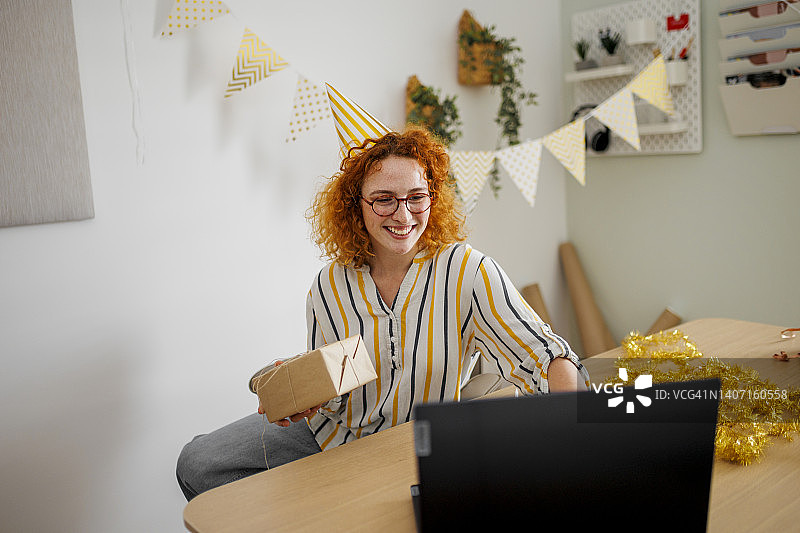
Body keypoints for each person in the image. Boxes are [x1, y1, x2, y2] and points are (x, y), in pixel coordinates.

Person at [176, 127, 589, 501]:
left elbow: (544, 354)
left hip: (416, 447)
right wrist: (303, 397)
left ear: (433, 196)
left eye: (416, 197)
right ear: (357, 205)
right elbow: (330, 387)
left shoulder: (467, 271)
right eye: (384, 200)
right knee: (197, 463)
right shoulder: (329, 285)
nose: (403, 214)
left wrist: (574, 432)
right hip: (335, 436)